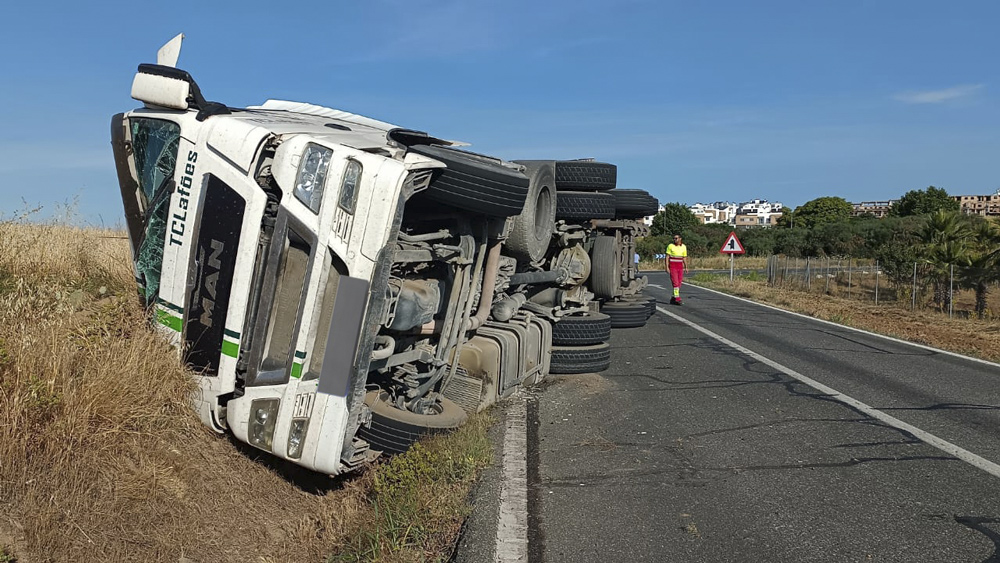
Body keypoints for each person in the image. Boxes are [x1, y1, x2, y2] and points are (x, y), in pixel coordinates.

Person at [665, 234, 688, 304]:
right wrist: (666, 267)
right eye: (674, 238)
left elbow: (684, 257)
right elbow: (667, 257)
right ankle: (677, 298)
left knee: (679, 283)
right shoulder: (670, 246)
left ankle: (673, 297)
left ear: (680, 239)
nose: (675, 240)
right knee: (675, 283)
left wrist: (686, 267)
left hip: (680, 267)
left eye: (676, 238)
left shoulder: (683, 247)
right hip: (673, 266)